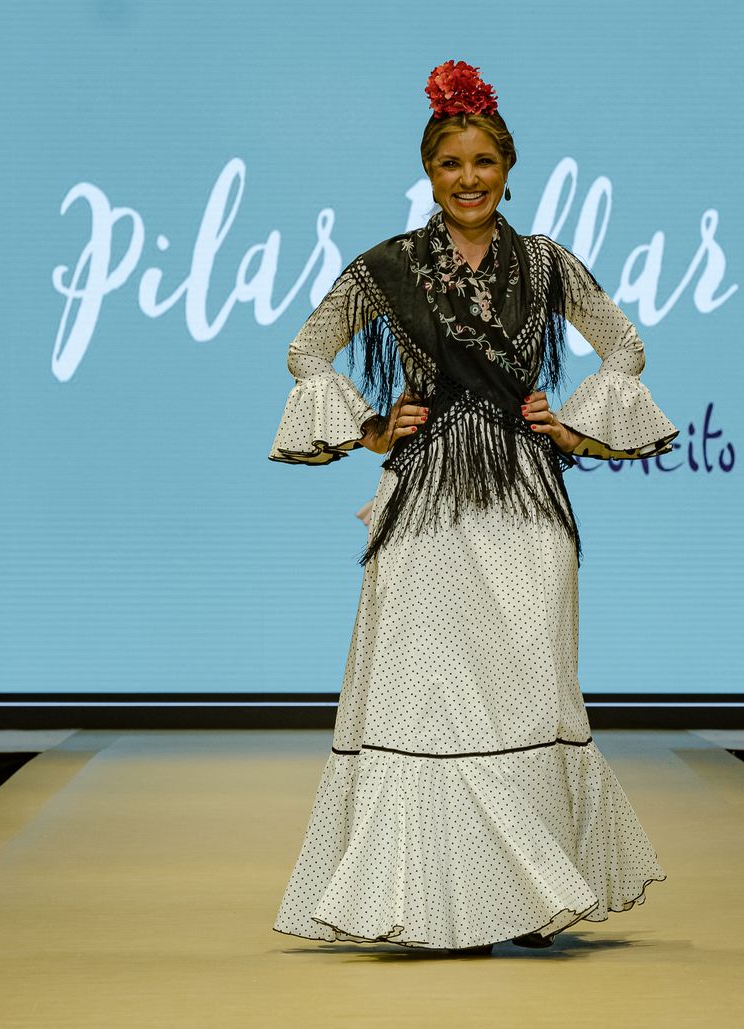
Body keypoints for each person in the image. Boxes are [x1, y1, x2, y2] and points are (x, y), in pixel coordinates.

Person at [270, 61, 669, 954]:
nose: (469, 178)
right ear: (429, 172)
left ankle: (528, 896)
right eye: (452, 164)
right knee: (430, 697)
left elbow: (626, 346)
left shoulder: (548, 264)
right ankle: (448, 902)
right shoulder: (387, 266)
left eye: (483, 161)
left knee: (527, 692)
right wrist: (373, 428)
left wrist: (568, 428)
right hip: (429, 505)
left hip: (524, 503)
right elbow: (306, 350)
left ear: (508, 167)